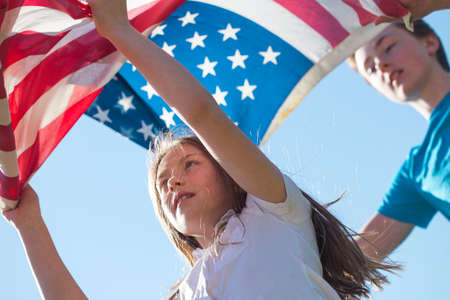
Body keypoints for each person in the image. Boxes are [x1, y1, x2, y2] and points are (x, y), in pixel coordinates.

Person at [2, 0, 398, 299]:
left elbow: (201, 114)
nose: (172, 180)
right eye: (161, 182)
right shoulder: (186, 293)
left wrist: (119, 31)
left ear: (230, 173)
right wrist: (29, 224)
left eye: (189, 163)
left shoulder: (275, 211)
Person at [348, 16, 449, 262]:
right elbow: (355, 261)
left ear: (429, 42)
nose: (381, 65)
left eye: (388, 47)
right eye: (370, 68)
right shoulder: (418, 170)